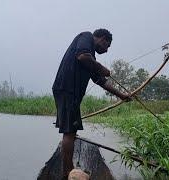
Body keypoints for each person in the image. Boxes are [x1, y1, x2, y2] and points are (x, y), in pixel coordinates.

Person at [52, 29, 130, 179]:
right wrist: (102, 68)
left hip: (69, 92)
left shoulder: (91, 59)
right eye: (107, 46)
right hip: (67, 89)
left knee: (71, 131)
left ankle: (68, 171)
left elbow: (101, 81)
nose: (106, 50)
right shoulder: (86, 36)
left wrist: (122, 96)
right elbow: (82, 56)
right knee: (69, 132)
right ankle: (68, 173)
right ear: (101, 39)